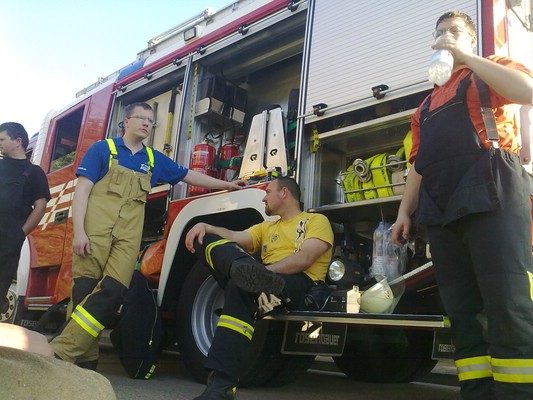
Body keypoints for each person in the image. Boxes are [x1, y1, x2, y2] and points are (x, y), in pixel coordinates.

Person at [391, 11, 533, 400]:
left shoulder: (488, 70)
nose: (446, 37)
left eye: (455, 32)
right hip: (441, 205)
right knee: (462, 310)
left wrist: (467, 58)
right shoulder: (423, 107)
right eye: (440, 32)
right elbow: (417, 165)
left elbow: (527, 91)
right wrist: (404, 212)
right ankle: (477, 392)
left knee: (507, 301)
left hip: (493, 192)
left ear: (471, 40)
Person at [50, 102, 246, 370]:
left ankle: (62, 351)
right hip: (94, 232)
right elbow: (82, 192)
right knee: (84, 292)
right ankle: (85, 362)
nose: (146, 123)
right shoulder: (103, 150)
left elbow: (189, 175)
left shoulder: (153, 159)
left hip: (127, 237)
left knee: (113, 291)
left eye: (150, 121)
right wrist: (79, 232)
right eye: (140, 118)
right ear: (126, 122)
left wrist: (227, 184)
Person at [185, 176, 334, 399]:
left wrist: (265, 272)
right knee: (206, 240)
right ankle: (241, 270)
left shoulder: (316, 221)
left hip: (300, 282)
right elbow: (234, 236)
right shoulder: (266, 227)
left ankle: (220, 389)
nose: (264, 198)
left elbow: (305, 259)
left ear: (284, 193)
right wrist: (205, 226)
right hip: (262, 279)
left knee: (239, 287)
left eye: (268, 192)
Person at [0, 122, 50, 314]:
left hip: (8, 241)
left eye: (2, 139)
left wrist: (20, 234)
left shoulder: (34, 173)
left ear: (18, 141)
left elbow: (40, 207)